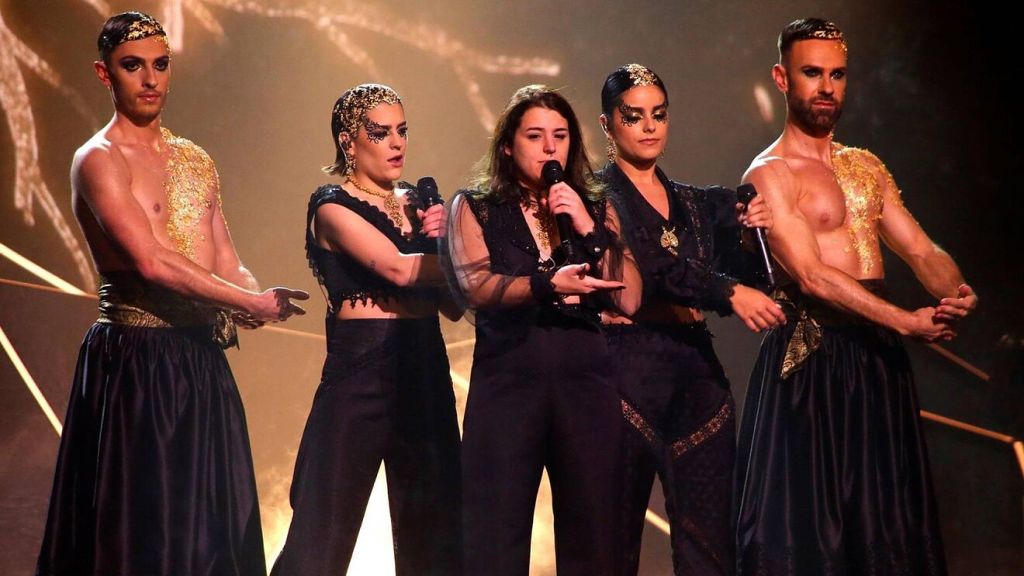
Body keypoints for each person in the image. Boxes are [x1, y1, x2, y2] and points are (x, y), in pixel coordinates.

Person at [36, 11, 308, 576]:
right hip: (135, 363)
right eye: (132, 66)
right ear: (104, 73)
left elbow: (226, 259)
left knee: (213, 533)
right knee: (144, 530)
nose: (150, 79)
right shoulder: (98, 160)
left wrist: (253, 295)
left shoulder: (196, 159)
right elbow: (151, 261)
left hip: (200, 360)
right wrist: (244, 302)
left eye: (160, 65)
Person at [734, 18, 978, 576]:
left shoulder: (865, 165)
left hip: (878, 358)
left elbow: (920, 249)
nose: (826, 87)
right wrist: (906, 322)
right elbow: (811, 276)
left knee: (887, 520)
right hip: (815, 361)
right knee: (816, 530)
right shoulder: (769, 173)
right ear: (782, 78)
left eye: (837, 75)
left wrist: (956, 291)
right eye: (812, 73)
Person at [595, 63, 785, 576]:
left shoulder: (697, 204)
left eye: (659, 115)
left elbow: (751, 275)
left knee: (711, 545)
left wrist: (752, 236)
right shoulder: (596, 199)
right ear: (607, 124)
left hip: (698, 376)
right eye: (634, 116)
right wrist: (728, 291)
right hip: (625, 379)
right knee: (612, 544)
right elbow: (653, 267)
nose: (649, 126)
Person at [447, 84, 642, 575]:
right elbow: (475, 287)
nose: (550, 147)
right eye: (535, 136)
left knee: (594, 532)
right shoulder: (477, 205)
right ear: (507, 145)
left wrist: (587, 227)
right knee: (496, 533)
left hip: (586, 380)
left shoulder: (594, 205)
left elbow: (630, 297)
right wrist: (546, 284)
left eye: (561, 135)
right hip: (509, 381)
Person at [271, 83, 462, 575]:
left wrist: (443, 240)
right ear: (348, 141)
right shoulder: (331, 206)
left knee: (436, 532)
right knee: (323, 527)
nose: (397, 143)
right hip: (362, 369)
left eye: (402, 130)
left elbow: (452, 309)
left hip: (425, 363)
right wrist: (479, 260)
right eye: (380, 133)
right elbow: (398, 269)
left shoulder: (419, 203)